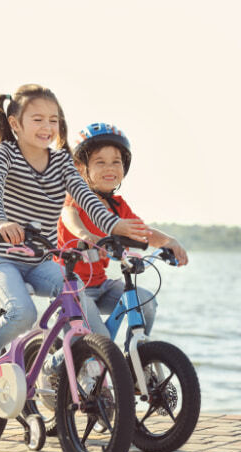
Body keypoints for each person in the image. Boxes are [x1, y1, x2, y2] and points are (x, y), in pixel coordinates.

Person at [0, 85, 149, 411]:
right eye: (38, 119)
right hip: (1, 260)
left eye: (54, 120)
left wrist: (114, 226)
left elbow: (87, 198)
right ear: (15, 124)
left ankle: (86, 371)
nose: (47, 127)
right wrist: (1, 221)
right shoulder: (6, 153)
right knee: (23, 313)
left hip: (42, 260)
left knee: (77, 299)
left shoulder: (61, 162)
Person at [57, 122, 188, 352]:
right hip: (71, 288)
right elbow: (69, 215)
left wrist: (169, 242)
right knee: (103, 340)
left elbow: (142, 231)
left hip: (101, 285)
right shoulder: (77, 198)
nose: (110, 168)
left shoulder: (118, 206)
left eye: (116, 162)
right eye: (100, 162)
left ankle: (136, 359)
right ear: (80, 168)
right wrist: (86, 236)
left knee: (146, 302)